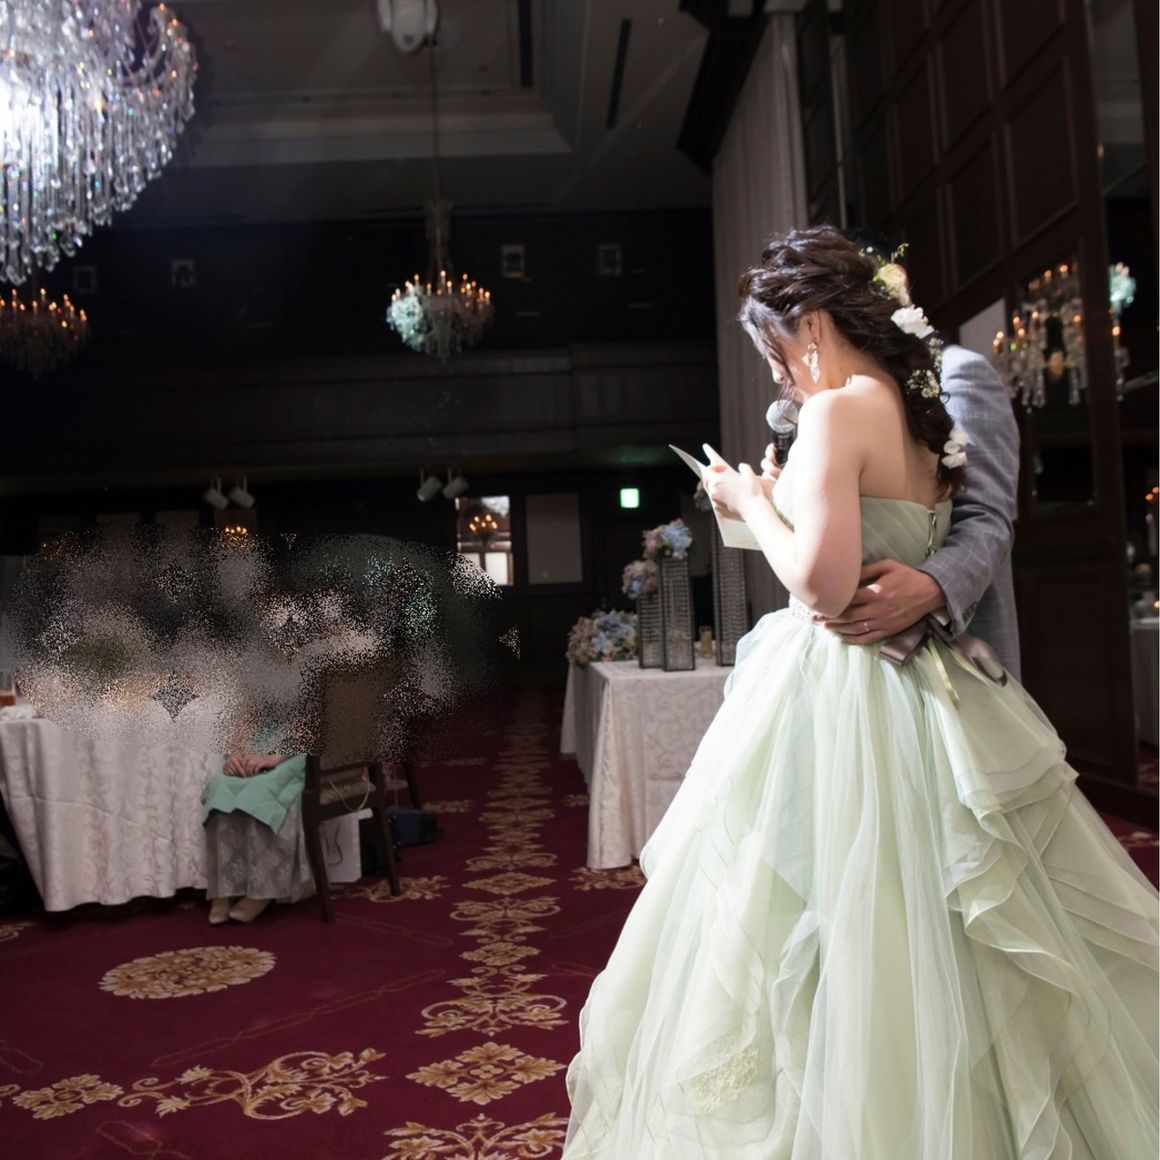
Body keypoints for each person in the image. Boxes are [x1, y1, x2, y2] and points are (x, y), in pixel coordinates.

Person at [563, 226, 1158, 1159]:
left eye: (774, 352)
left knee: (831, 909)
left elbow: (826, 586)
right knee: (937, 918)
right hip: (925, 690)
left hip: (849, 692)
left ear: (808, 326)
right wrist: (775, 504)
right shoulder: (913, 416)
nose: (778, 378)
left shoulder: (849, 409)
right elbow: (877, 534)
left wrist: (752, 506)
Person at [770, 231, 1022, 676]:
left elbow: (987, 514)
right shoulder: (846, 395)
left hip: (948, 651)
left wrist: (932, 585)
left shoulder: (957, 372)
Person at [202, 750, 313, 924]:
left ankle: (263, 891)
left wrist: (274, 758)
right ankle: (224, 890)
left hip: (299, 755)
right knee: (221, 787)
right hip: (258, 746)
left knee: (260, 793)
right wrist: (234, 756)